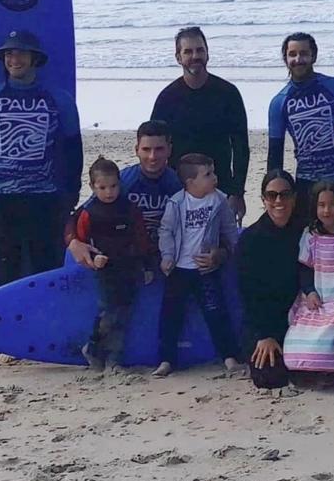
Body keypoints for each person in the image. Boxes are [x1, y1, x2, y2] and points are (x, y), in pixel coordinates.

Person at [0, 29, 83, 288]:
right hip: (2, 199)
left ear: (35, 58)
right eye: (9, 54)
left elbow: (73, 149)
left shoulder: (59, 99)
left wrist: (73, 191)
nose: (15, 60)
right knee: (7, 265)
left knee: (46, 264)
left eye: (21, 54)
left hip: (44, 198)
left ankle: (44, 311)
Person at [267, 31, 334, 224]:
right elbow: (275, 153)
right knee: (310, 239)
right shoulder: (280, 102)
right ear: (285, 59)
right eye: (292, 54)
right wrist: (275, 194)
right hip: (307, 184)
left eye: (304, 53)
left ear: (314, 56)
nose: (298, 59)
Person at [151, 27, 250, 224]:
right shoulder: (167, 98)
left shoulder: (228, 93)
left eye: (199, 50)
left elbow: (241, 147)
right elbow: (155, 145)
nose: (195, 56)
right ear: (178, 57)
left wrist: (237, 192)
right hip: (178, 189)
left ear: (207, 53)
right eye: (188, 51)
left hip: (220, 186)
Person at [155, 153, 240, 377]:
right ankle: (166, 360)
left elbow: (230, 231)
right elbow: (166, 231)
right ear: (190, 182)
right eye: (208, 174)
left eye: (213, 172)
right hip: (179, 269)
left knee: (216, 312)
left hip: (206, 269)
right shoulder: (176, 203)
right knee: (171, 315)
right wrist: (167, 256)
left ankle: (229, 357)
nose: (215, 178)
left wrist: (226, 253)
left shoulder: (220, 201)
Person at [70, 157, 157, 372]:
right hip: (105, 270)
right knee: (108, 312)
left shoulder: (130, 209)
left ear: (120, 184)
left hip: (129, 267)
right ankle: (93, 347)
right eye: (102, 188)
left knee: (124, 314)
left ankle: (114, 359)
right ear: (92, 187)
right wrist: (93, 259)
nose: (109, 192)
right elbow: (81, 240)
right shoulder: (89, 212)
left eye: (113, 186)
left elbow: (141, 239)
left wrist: (146, 266)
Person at [67, 120, 182, 269]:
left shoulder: (179, 184)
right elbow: (78, 215)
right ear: (136, 150)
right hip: (126, 256)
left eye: (159, 149)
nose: (152, 156)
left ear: (169, 150)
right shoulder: (121, 182)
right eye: (146, 149)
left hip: (168, 255)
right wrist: (73, 241)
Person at [238, 170, 311, 390]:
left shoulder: (307, 232)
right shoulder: (250, 239)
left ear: (294, 198)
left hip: (301, 317)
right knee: (269, 378)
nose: (278, 200)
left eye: (284, 194)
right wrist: (264, 335)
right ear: (263, 199)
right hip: (263, 321)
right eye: (272, 195)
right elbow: (247, 292)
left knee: (312, 372)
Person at [282, 183, 334, 373]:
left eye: (332, 204)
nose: (326, 210)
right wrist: (309, 292)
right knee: (296, 342)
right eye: (321, 205)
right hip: (317, 296)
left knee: (331, 339)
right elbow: (305, 268)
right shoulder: (310, 235)